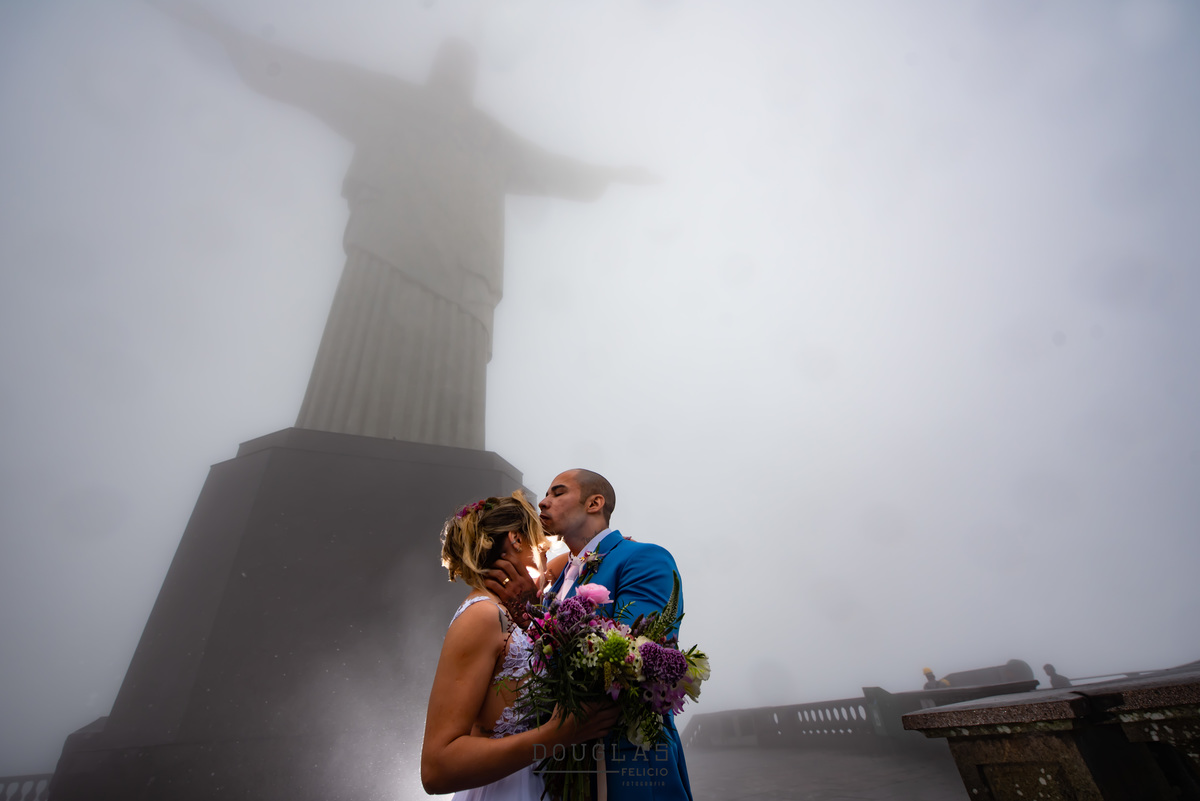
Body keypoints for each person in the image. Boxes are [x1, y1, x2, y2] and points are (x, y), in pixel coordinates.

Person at [151, 1, 655, 449]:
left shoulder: (487, 135)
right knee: (359, 363)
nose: (457, 71)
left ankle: (442, 457)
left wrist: (609, 175)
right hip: (389, 245)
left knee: (452, 395)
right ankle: (336, 445)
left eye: (464, 64)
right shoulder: (389, 98)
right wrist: (225, 33)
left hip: (465, 266)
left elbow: (548, 167)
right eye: (449, 61)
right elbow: (312, 76)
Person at [493, 469, 693, 801]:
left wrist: (533, 623)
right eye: (546, 494)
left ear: (594, 503)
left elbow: (636, 658)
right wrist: (526, 614)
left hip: (628, 762)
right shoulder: (556, 580)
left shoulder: (642, 558)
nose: (543, 502)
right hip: (562, 764)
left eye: (558, 493)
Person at [421, 492, 618, 799]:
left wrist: (613, 547)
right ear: (515, 539)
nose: (546, 553)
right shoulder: (482, 616)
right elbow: (436, 769)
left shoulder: (511, 609)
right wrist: (557, 736)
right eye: (541, 543)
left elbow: (571, 564)